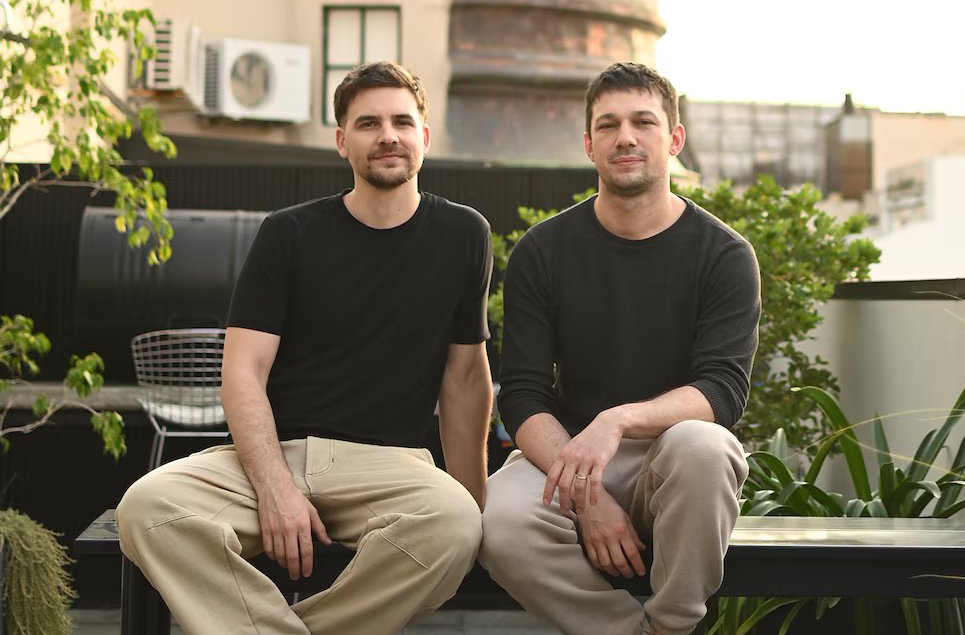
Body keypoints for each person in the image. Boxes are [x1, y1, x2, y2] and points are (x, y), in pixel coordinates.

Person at [116, 61, 494, 635]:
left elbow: (465, 378)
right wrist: (275, 488)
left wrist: (475, 504)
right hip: (274, 454)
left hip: (389, 467)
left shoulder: (464, 234)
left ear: (424, 135)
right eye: (368, 123)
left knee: (455, 525)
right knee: (147, 509)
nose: (387, 135)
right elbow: (243, 371)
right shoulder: (288, 233)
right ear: (342, 141)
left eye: (401, 122)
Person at [479, 62, 761, 635]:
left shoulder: (724, 255)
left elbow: (722, 392)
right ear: (589, 144)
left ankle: (673, 624)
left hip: (671, 456)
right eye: (607, 125)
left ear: (674, 138)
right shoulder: (543, 251)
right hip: (569, 452)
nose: (625, 137)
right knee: (500, 522)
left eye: (643, 122)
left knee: (706, 448)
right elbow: (524, 394)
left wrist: (618, 420)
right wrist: (586, 493)